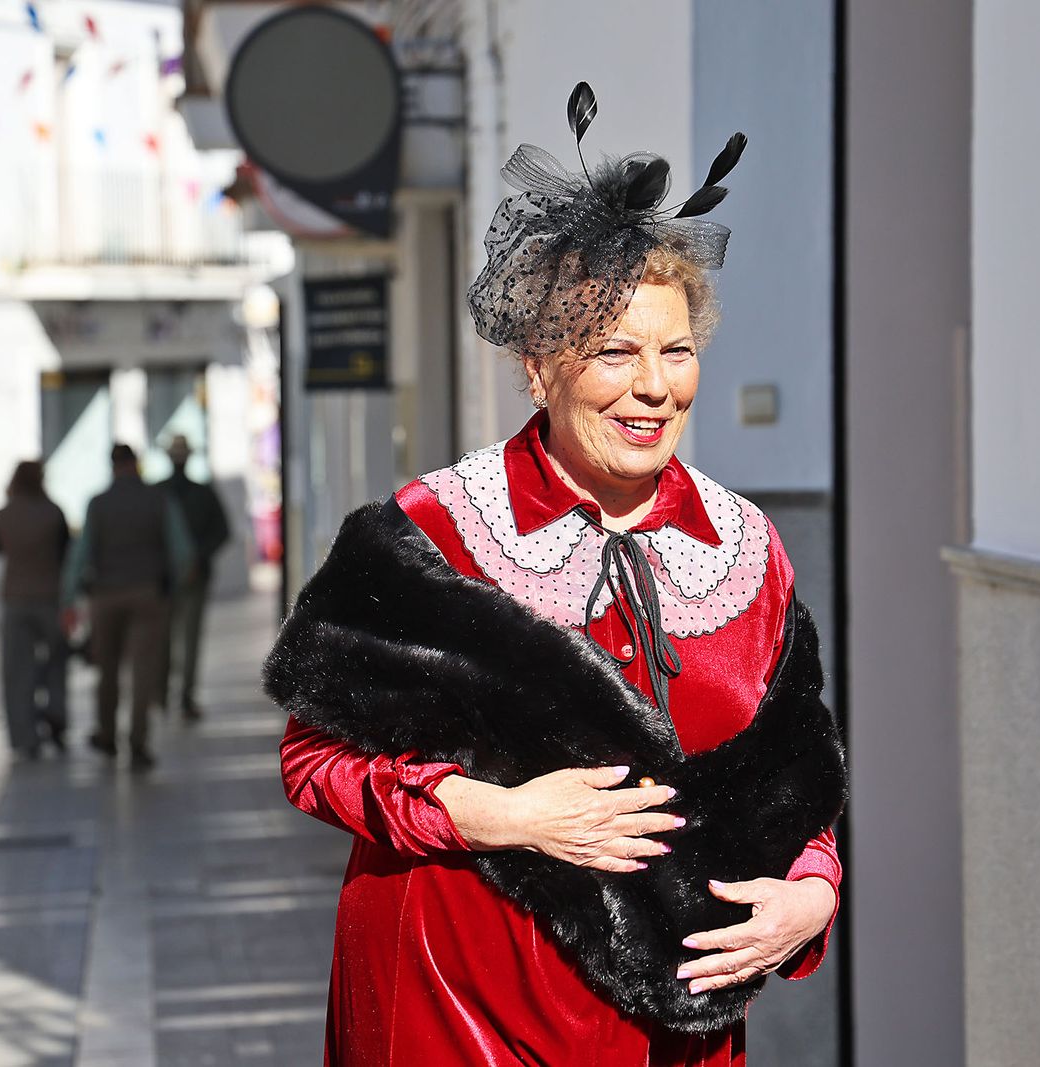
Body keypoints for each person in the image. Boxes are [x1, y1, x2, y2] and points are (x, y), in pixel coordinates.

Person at [265, 84, 847, 1065]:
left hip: (674, 1027)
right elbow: (311, 760)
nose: (653, 384)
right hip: (453, 1005)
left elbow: (798, 777)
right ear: (539, 366)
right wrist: (502, 812)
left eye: (675, 349)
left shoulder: (746, 548)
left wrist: (812, 895)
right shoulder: (430, 530)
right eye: (615, 351)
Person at [62, 443, 192, 771]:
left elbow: (81, 554)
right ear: (137, 465)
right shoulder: (159, 500)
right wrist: (171, 588)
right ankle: (138, 741)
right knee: (143, 670)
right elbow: (182, 552)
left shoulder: (98, 504)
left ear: (112, 466)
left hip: (106, 596)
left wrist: (69, 598)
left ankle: (107, 733)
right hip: (148, 593)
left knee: (107, 669)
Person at [0, 460, 71, 759]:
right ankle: (56, 713)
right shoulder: (54, 512)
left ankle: (24, 735)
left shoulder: (2, 515)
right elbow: (66, 551)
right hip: (50, 595)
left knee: (16, 669)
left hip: (15, 598)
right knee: (57, 660)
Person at [156, 434, 230, 721]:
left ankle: (165, 695)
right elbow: (222, 530)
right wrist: (199, 557)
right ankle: (179, 695)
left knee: (169, 637)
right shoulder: (198, 492)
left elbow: (221, 530)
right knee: (185, 638)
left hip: (173, 576)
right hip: (180, 576)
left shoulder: (163, 492)